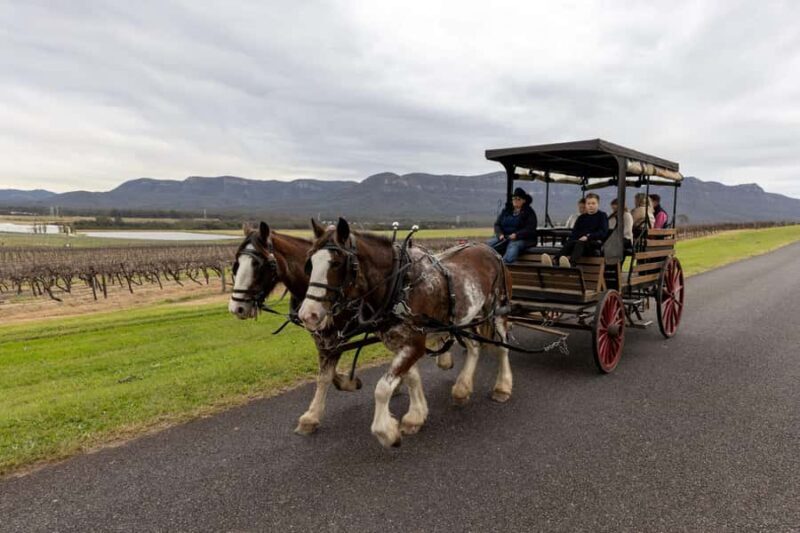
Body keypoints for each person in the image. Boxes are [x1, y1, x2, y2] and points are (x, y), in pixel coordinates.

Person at [541, 193, 607, 267]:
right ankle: (555, 260)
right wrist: (571, 241)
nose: (591, 205)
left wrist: (588, 236)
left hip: (594, 244)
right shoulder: (582, 218)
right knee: (571, 242)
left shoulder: (602, 216)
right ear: (586, 205)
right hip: (580, 244)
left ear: (598, 204)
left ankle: (571, 263)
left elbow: (603, 232)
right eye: (588, 203)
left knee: (579, 243)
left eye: (593, 203)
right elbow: (575, 233)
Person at [487, 187, 538, 264]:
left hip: (524, 239)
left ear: (524, 200)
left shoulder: (529, 212)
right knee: (489, 245)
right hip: (505, 237)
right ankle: (487, 263)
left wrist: (517, 235)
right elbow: (497, 224)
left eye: (518, 199)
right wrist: (500, 234)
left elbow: (530, 229)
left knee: (513, 246)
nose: (515, 201)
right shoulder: (506, 211)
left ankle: (506, 266)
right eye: (514, 198)